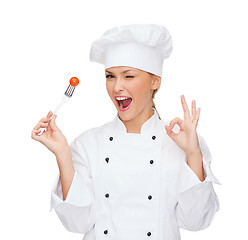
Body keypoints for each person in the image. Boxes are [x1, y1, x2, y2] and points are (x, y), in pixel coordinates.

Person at [31, 24, 221, 240]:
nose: (117, 87)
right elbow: (77, 223)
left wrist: (193, 154)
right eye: (110, 76)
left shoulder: (185, 143)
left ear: (155, 81)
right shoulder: (88, 144)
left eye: (128, 76)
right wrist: (62, 154)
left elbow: (196, 222)